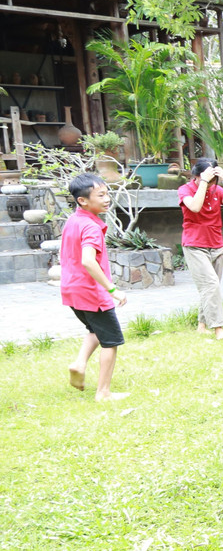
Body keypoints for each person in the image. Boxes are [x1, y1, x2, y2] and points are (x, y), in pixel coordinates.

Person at [61, 172, 128, 401]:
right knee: (111, 341)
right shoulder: (91, 227)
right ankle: (103, 393)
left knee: (95, 330)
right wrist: (112, 289)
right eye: (101, 195)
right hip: (92, 293)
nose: (107, 198)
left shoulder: (73, 220)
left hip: (72, 291)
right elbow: (88, 260)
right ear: (83, 200)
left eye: (107, 193)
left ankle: (79, 364)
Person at [179, 156, 223, 339]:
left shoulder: (218, 189)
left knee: (211, 287)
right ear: (196, 176)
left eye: (214, 179)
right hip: (194, 245)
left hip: (216, 243)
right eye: (208, 178)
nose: (211, 183)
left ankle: (201, 325)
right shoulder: (185, 189)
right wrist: (204, 182)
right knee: (210, 285)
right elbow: (195, 207)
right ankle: (218, 328)